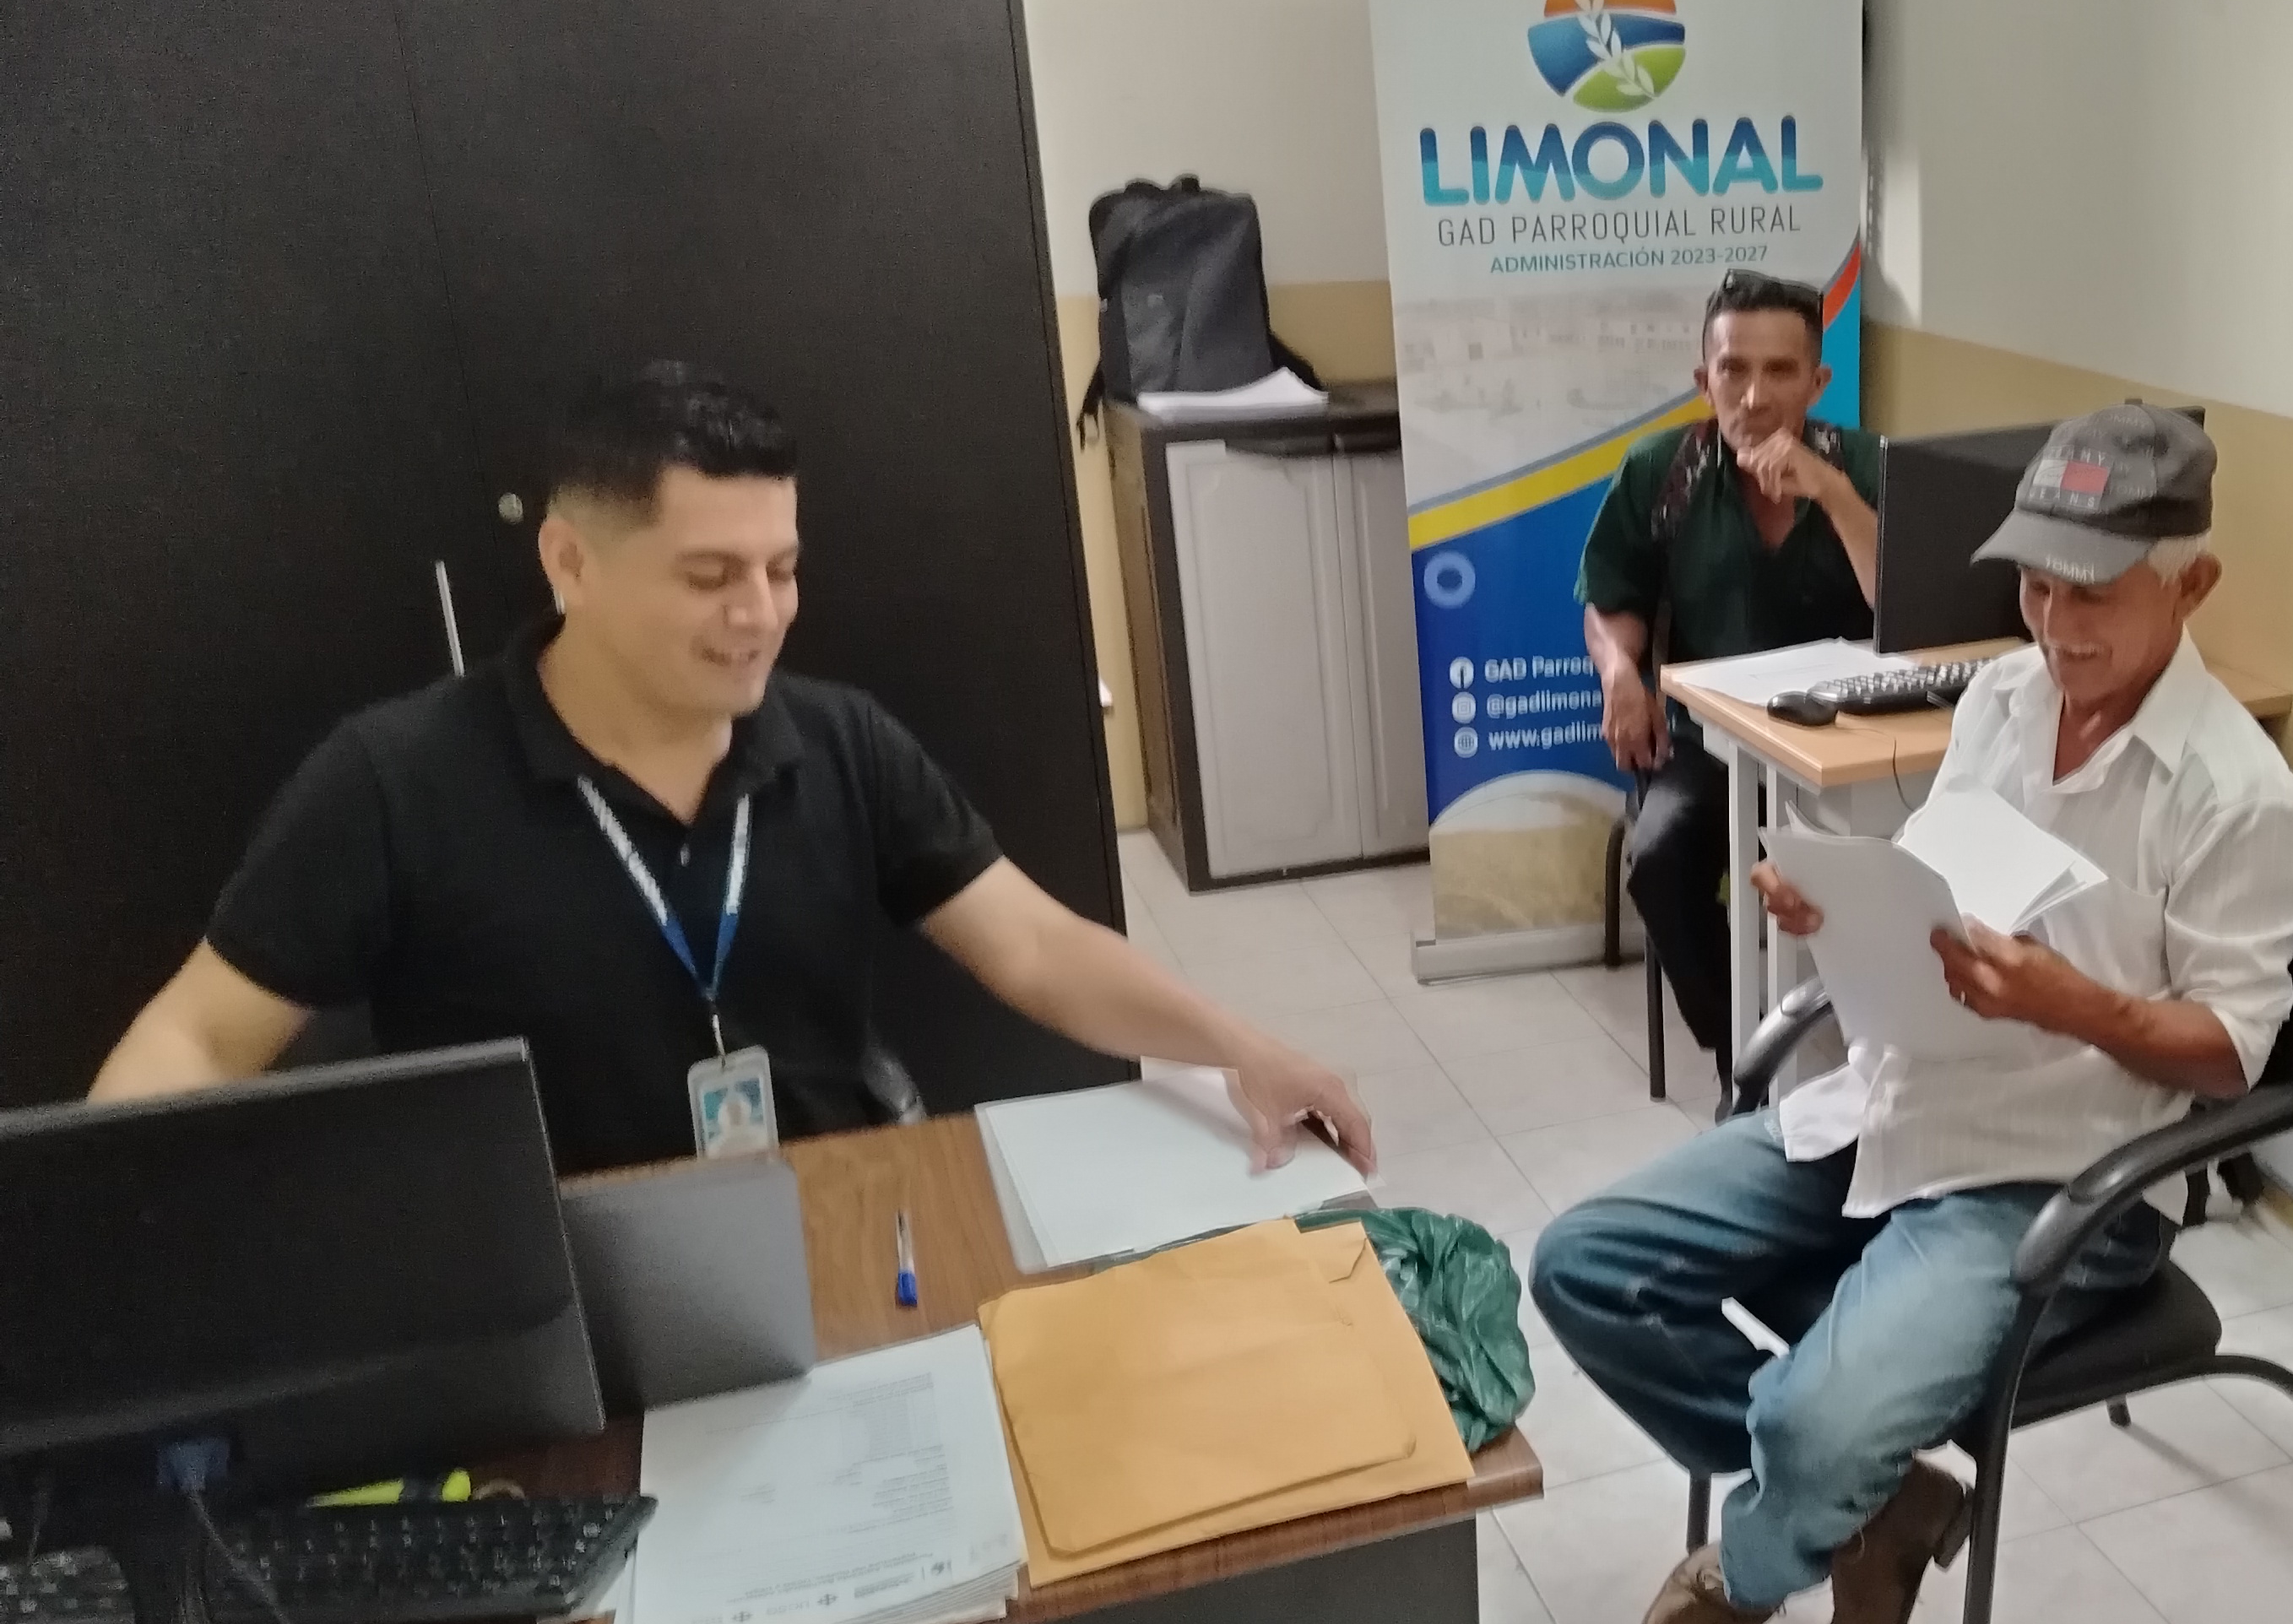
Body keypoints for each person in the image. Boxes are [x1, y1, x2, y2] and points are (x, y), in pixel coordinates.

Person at [1533, 406, 2293, 1624]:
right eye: (2034, 585)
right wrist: (1840, 907)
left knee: (1810, 1422)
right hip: (1896, 1099)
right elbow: (1941, 887)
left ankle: (1770, 1544)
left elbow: (2233, 1058)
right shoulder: (2004, 702)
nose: (2055, 625)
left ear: (2192, 584)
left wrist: (2081, 1005)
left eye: (2094, 593)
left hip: (2055, 1175)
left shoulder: (2241, 802)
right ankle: (1870, 1506)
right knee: (1584, 1266)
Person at [93, 363, 1374, 1179]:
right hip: (556, 1272)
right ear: (570, 563)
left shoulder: (838, 741)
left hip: (834, 1216)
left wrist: (1237, 1046)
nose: (759, 615)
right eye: (709, 576)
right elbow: (197, 1035)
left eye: (782, 569)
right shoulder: (395, 781)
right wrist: (109, 1224)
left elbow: (1032, 947)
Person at [1579, 270, 1884, 1092]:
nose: (1754, 396)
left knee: (1912, 874)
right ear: (1702, 379)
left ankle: (1877, 1063)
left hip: (1848, 753)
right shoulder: (1663, 472)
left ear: (1817, 382)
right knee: (1660, 860)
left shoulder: (1864, 466)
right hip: (1712, 746)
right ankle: (1746, 1062)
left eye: (1780, 371)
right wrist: (1620, 673)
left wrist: (1835, 495)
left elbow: (1903, 606)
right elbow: (1612, 598)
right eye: (1733, 370)